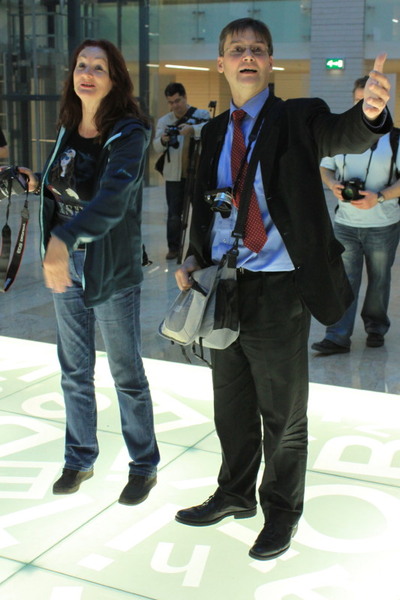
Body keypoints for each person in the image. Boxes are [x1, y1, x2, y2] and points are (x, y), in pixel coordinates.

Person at [174, 18, 391, 561]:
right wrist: (193, 256)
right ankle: (234, 493)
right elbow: (205, 201)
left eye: (257, 49)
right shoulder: (215, 131)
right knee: (231, 405)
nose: (247, 56)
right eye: (236, 49)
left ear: (270, 62)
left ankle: (282, 512)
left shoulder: (297, 116)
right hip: (226, 287)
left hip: (280, 290)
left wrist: (370, 115)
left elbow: (343, 133)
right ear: (221, 63)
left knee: (283, 414)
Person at [17, 39, 160, 505]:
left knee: (125, 371)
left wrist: (62, 240)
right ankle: (79, 457)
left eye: (99, 67)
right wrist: (38, 182)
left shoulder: (130, 133)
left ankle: (144, 465)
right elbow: (69, 185)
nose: (88, 73)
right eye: (82, 65)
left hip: (107, 264)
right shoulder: (68, 125)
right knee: (74, 368)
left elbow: (113, 199)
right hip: (68, 265)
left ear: (114, 79)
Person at [312, 76, 400, 355]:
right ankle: (337, 336)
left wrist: (380, 196)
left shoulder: (395, 138)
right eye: (360, 100)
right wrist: (332, 185)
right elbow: (324, 167)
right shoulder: (341, 136)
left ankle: (376, 327)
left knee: (379, 280)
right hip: (345, 223)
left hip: (383, 224)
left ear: (384, 102)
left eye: (373, 99)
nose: (367, 105)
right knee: (344, 280)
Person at [153, 82, 210, 259]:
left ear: (185, 97)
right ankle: (174, 248)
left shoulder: (201, 115)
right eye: (171, 102)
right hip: (174, 176)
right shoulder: (165, 121)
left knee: (200, 213)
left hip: (197, 174)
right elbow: (156, 147)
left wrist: (192, 129)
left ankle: (201, 248)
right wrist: (164, 139)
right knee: (174, 215)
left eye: (177, 101)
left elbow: (210, 131)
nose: (175, 106)